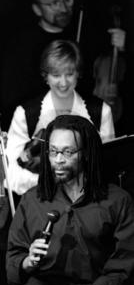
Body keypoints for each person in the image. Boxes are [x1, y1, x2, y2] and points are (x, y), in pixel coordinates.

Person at [0, 114, 134, 285]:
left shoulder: (117, 201)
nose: (57, 160)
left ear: (86, 153)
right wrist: (28, 261)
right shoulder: (32, 200)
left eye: (67, 152)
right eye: (53, 151)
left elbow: (124, 265)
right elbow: (13, 259)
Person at [0, 0, 125, 128]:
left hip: (89, 120)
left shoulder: (86, 33)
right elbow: (14, 97)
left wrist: (122, 48)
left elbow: (109, 74)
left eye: (67, 1)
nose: (64, 9)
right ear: (37, 9)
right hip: (44, 125)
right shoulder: (22, 45)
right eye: (55, 3)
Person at [6, 39, 115, 196]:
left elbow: (109, 164)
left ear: (78, 74)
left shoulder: (101, 111)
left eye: (70, 74)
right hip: (39, 197)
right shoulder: (25, 113)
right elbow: (12, 173)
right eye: (56, 75)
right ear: (46, 76)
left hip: (88, 198)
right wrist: (51, 185)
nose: (63, 83)